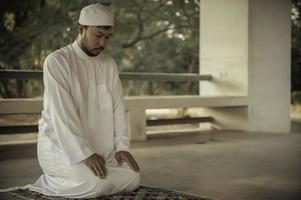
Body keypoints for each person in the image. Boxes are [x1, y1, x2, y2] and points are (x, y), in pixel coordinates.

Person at [28, 3, 140, 198]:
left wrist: (122, 147)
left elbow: (117, 107)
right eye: (98, 36)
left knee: (133, 176)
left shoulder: (108, 64)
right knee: (95, 185)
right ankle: (51, 180)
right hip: (61, 149)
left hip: (100, 150)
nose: (103, 43)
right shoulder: (57, 61)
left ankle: (85, 177)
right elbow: (62, 114)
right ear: (81, 29)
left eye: (107, 37)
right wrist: (85, 153)